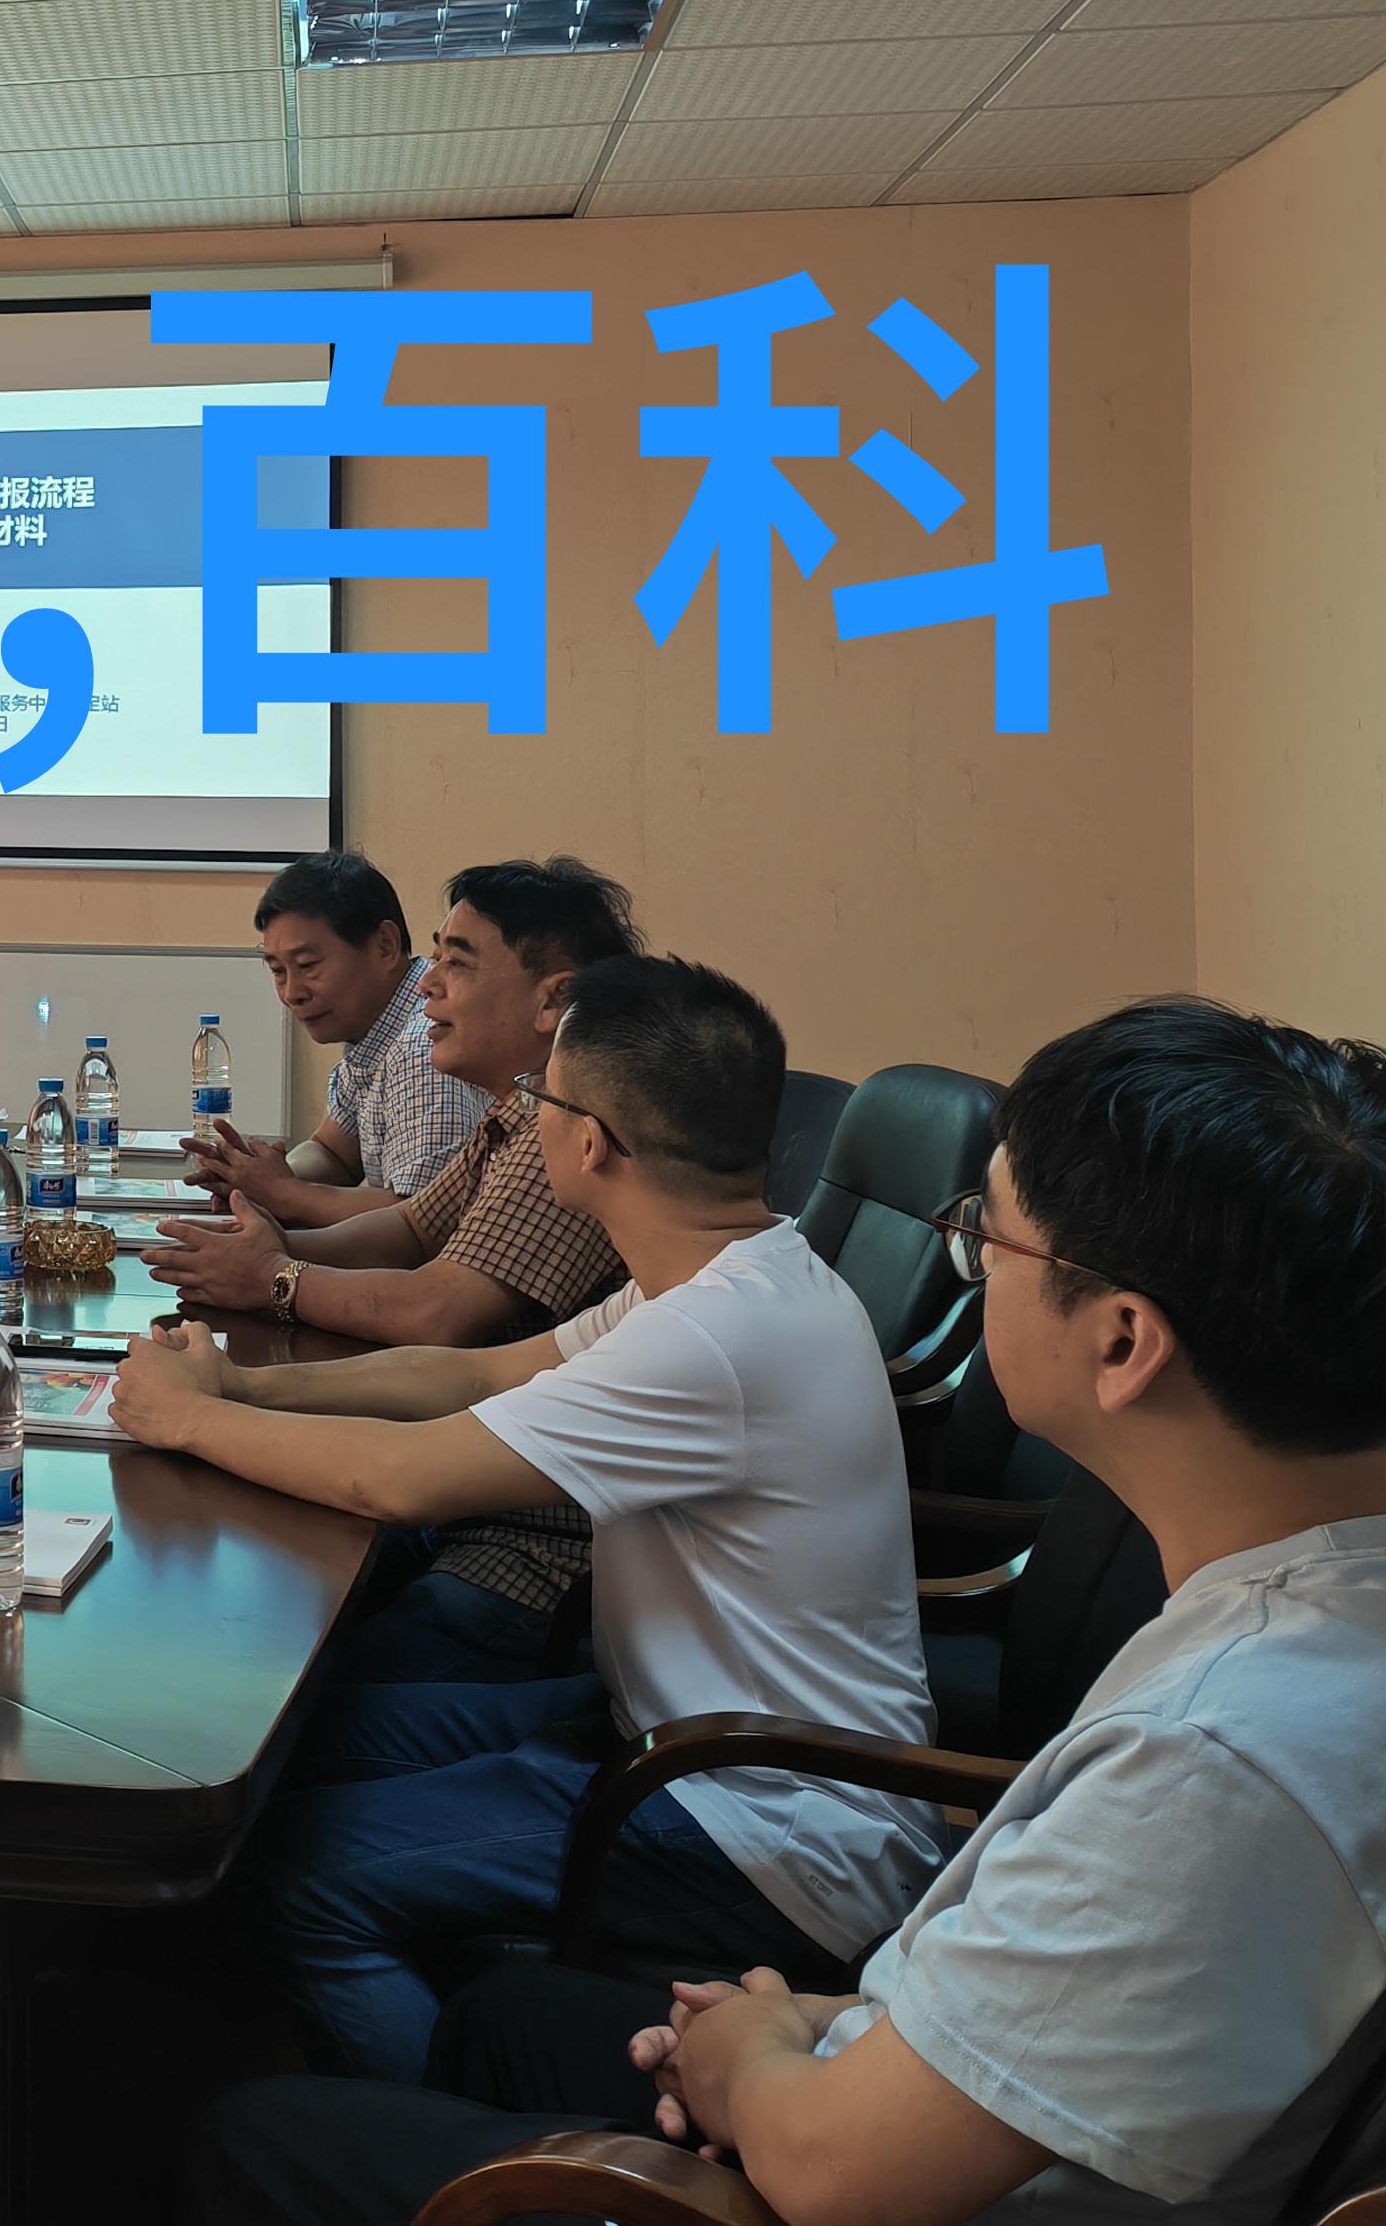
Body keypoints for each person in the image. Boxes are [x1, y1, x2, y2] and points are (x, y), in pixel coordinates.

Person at [183, 995, 1386, 2226]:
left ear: (1119, 1342)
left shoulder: (1215, 1759)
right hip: (909, 2048)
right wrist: (822, 2023)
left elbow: (830, 2169)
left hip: (851, 2141)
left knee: (244, 2134)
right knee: (498, 2019)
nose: (971, 1267)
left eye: (987, 1239)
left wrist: (755, 2050)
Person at [116, 953, 942, 2080]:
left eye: (539, 1098)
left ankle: (445, 2150)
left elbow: (399, 1482)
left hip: (761, 1824)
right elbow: (476, 1373)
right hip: (667, 1733)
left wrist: (186, 1420)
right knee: (301, 1746)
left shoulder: (714, 1338)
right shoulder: (725, 1276)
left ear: (591, 1141)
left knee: (296, 1882)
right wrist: (242, 1388)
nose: (524, 1117)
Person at [150, 855, 641, 1681]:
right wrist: (263, 1255)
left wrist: (272, 1283)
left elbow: (438, 1316)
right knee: (259, 1572)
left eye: (457, 963)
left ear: (552, 1000)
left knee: (271, 1669)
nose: (428, 986)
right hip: (463, 1490)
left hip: (525, 1545)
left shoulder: (572, 1138)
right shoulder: (519, 1108)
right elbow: (410, 1229)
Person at [184, 850, 488, 1230]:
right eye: (278, 971)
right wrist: (258, 1176)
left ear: (385, 945)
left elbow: (419, 1219)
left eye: (308, 966)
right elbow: (333, 1152)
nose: (292, 993)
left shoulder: (423, 1047)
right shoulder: (376, 1031)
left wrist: (284, 1193)